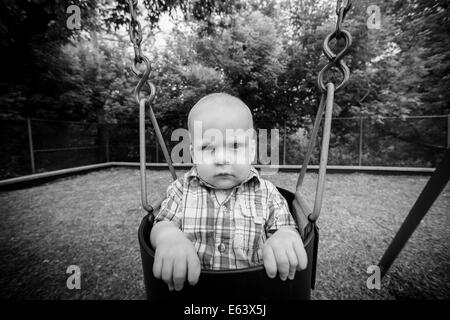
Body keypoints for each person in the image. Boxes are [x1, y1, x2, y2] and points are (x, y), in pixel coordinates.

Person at [150, 93, 307, 291]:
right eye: (208, 147)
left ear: (251, 150)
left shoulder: (268, 193)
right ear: (193, 153)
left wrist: (284, 237)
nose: (222, 158)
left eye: (234, 146)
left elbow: (285, 228)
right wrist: (169, 238)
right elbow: (162, 224)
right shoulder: (182, 189)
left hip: (254, 293)